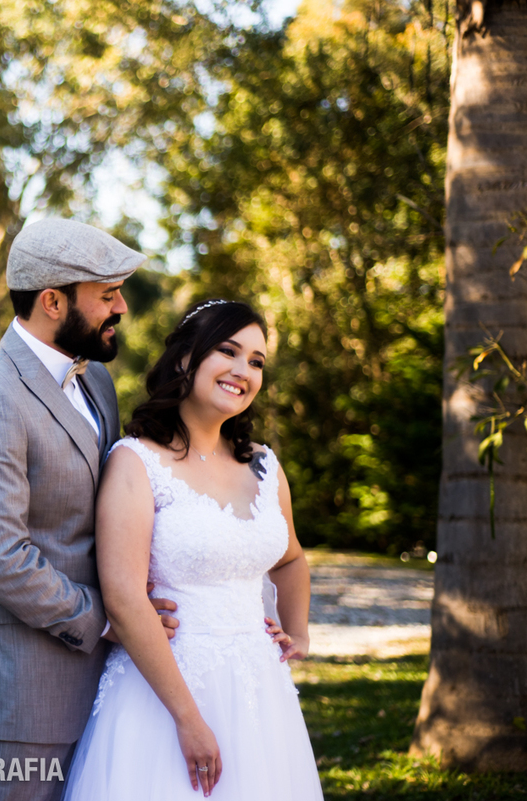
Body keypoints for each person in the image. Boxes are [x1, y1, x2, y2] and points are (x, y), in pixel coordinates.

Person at [0, 218, 179, 801]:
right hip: (21, 698)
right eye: (106, 295)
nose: (120, 307)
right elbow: (0, 559)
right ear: (52, 300)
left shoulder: (97, 385)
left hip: (107, 687)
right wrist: (110, 620)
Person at [62, 298, 323, 800]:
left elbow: (290, 559)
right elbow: (122, 596)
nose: (243, 370)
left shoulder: (264, 465)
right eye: (228, 351)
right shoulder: (135, 461)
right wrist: (187, 719)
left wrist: (299, 632)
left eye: (256, 361)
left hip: (259, 700)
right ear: (185, 359)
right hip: (162, 699)